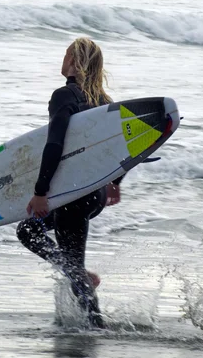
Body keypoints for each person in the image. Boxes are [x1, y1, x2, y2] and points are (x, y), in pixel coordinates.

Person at [16, 38, 124, 328]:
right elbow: (121, 148)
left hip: (73, 194)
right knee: (28, 230)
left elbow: (55, 144)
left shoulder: (64, 95)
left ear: (74, 62)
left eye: (65, 55)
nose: (62, 60)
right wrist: (115, 182)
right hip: (94, 193)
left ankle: (96, 327)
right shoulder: (106, 101)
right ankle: (78, 276)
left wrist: (41, 192)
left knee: (64, 257)